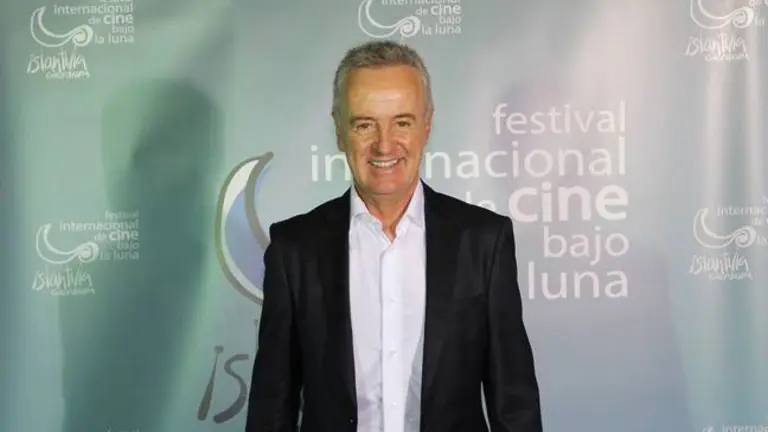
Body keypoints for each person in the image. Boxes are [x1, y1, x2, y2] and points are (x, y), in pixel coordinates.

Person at [245, 39, 542, 432]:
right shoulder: (294, 249)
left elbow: (514, 406)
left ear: (427, 125)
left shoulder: (484, 241)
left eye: (402, 122)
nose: (384, 145)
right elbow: (271, 406)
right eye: (365, 124)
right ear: (339, 131)